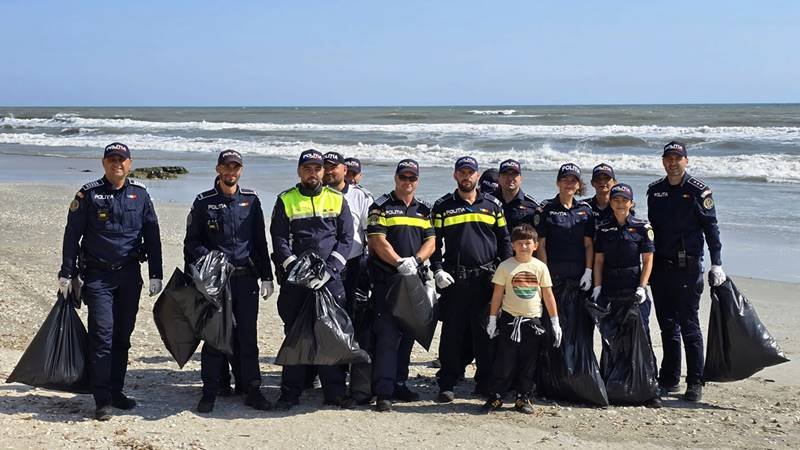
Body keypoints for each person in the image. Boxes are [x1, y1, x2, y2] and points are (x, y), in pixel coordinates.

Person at [58, 142, 163, 421]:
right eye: (112, 159)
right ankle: (102, 398)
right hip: (98, 277)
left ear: (130, 163)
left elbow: (152, 234)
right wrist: (66, 272)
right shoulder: (89, 194)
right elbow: (72, 235)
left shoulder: (140, 195)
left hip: (129, 276)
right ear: (104, 163)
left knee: (122, 338)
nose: (117, 163)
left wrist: (156, 272)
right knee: (102, 336)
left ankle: (116, 391)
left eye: (122, 159)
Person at [184, 149, 274, 413]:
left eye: (235, 167)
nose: (231, 172)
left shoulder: (251, 200)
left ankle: (252, 389)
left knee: (248, 337)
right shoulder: (204, 202)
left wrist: (267, 276)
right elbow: (192, 242)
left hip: (246, 280)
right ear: (218, 169)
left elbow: (260, 242)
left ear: (241, 171)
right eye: (226, 167)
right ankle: (210, 391)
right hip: (217, 281)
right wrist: (210, 260)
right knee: (215, 337)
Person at [270, 149, 354, 410]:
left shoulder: (337, 198)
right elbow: (279, 240)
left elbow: (346, 239)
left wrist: (330, 270)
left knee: (330, 333)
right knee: (295, 334)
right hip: (298, 280)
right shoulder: (286, 199)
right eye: (307, 168)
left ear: (323, 171)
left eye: (317, 168)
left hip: (329, 280)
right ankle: (290, 392)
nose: (313, 173)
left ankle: (334, 392)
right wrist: (295, 268)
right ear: (299, 171)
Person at [647, 141, 725, 402]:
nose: (673, 162)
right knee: (667, 326)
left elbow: (711, 229)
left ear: (686, 161)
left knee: (689, 325)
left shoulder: (698, 191)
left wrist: (717, 263)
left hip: (688, 268)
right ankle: (669, 379)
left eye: (678, 158)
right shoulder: (655, 191)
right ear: (663, 161)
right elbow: (651, 232)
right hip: (660, 268)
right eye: (668, 158)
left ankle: (695, 381)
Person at [431, 156, 512, 403]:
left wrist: (507, 275)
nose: (467, 177)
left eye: (471, 173)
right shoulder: (443, 206)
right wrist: (436, 270)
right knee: (452, 334)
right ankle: (447, 382)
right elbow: (434, 242)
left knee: (485, 333)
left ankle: (484, 383)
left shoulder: (493, 205)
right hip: (454, 280)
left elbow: (505, 241)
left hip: (486, 280)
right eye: (462, 173)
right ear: (455, 175)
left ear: (477, 176)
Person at [366, 159, 435, 412]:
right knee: (387, 336)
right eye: (403, 177)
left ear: (417, 181)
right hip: (388, 281)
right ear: (396, 178)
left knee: (408, 335)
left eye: (412, 178)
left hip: (413, 279)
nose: (408, 182)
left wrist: (415, 260)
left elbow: (431, 243)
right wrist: (398, 262)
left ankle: (400, 384)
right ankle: (383, 391)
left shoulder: (424, 210)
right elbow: (377, 240)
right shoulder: (381, 206)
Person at [592, 183, 661, 408]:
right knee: (611, 338)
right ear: (610, 203)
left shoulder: (642, 227)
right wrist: (597, 287)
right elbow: (599, 261)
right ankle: (613, 386)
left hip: (634, 292)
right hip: (611, 291)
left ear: (631, 203)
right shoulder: (602, 228)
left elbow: (648, 260)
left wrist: (642, 287)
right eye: (616, 200)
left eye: (624, 200)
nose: (620, 204)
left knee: (642, 337)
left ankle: (650, 389)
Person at [481, 224, 561, 414]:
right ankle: (497, 397)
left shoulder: (540, 267)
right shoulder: (505, 266)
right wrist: (492, 319)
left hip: (533, 322)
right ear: (513, 246)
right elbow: (498, 295)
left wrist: (555, 322)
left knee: (529, 362)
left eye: (528, 243)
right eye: (520, 243)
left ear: (535, 245)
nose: (524, 247)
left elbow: (548, 296)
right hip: (509, 321)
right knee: (504, 361)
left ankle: (523, 398)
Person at [323, 151, 373, 403]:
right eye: (326, 167)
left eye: (335, 167)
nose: (330, 171)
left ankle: (357, 382)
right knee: (329, 323)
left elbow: (371, 235)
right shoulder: (318, 194)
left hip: (355, 265)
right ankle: (330, 379)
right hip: (325, 268)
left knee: (355, 321)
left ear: (344, 170)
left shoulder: (361, 196)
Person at [534, 163, 594, 290]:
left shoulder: (586, 210)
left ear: (578, 185)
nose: (569, 184)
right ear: (558, 183)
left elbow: (588, 245)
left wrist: (588, 271)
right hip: (553, 274)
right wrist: (544, 274)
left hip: (579, 275)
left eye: (573, 181)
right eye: (565, 179)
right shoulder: (545, 208)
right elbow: (541, 245)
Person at [496, 159, 540, 231]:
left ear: (521, 179)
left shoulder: (532, 206)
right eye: (505, 174)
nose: (510, 178)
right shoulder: (488, 202)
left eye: (514, 174)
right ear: (499, 178)